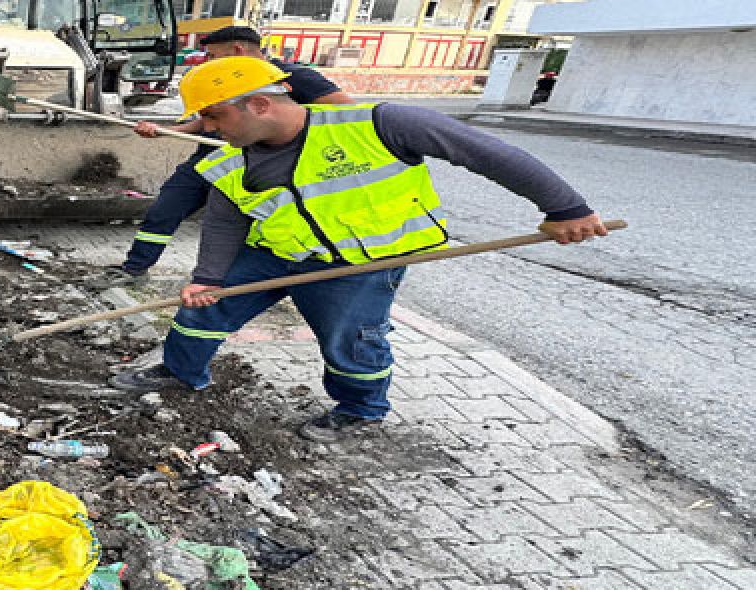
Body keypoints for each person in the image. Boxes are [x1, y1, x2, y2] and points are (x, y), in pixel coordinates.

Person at [107, 57, 608, 441]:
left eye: (214, 115)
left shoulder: (377, 125)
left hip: (365, 262)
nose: (210, 128)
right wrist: (209, 278)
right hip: (280, 252)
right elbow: (224, 219)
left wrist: (566, 209)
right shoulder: (230, 157)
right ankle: (181, 372)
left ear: (259, 104)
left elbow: (490, 155)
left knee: (351, 339)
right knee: (199, 310)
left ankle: (359, 411)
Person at [103, 25, 355, 283]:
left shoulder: (290, 77)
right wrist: (166, 131)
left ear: (237, 50)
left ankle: (217, 282)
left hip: (251, 168)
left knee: (226, 229)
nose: (208, 63)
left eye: (213, 56)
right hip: (208, 160)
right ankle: (134, 269)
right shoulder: (224, 79)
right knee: (165, 209)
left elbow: (343, 114)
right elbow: (207, 119)